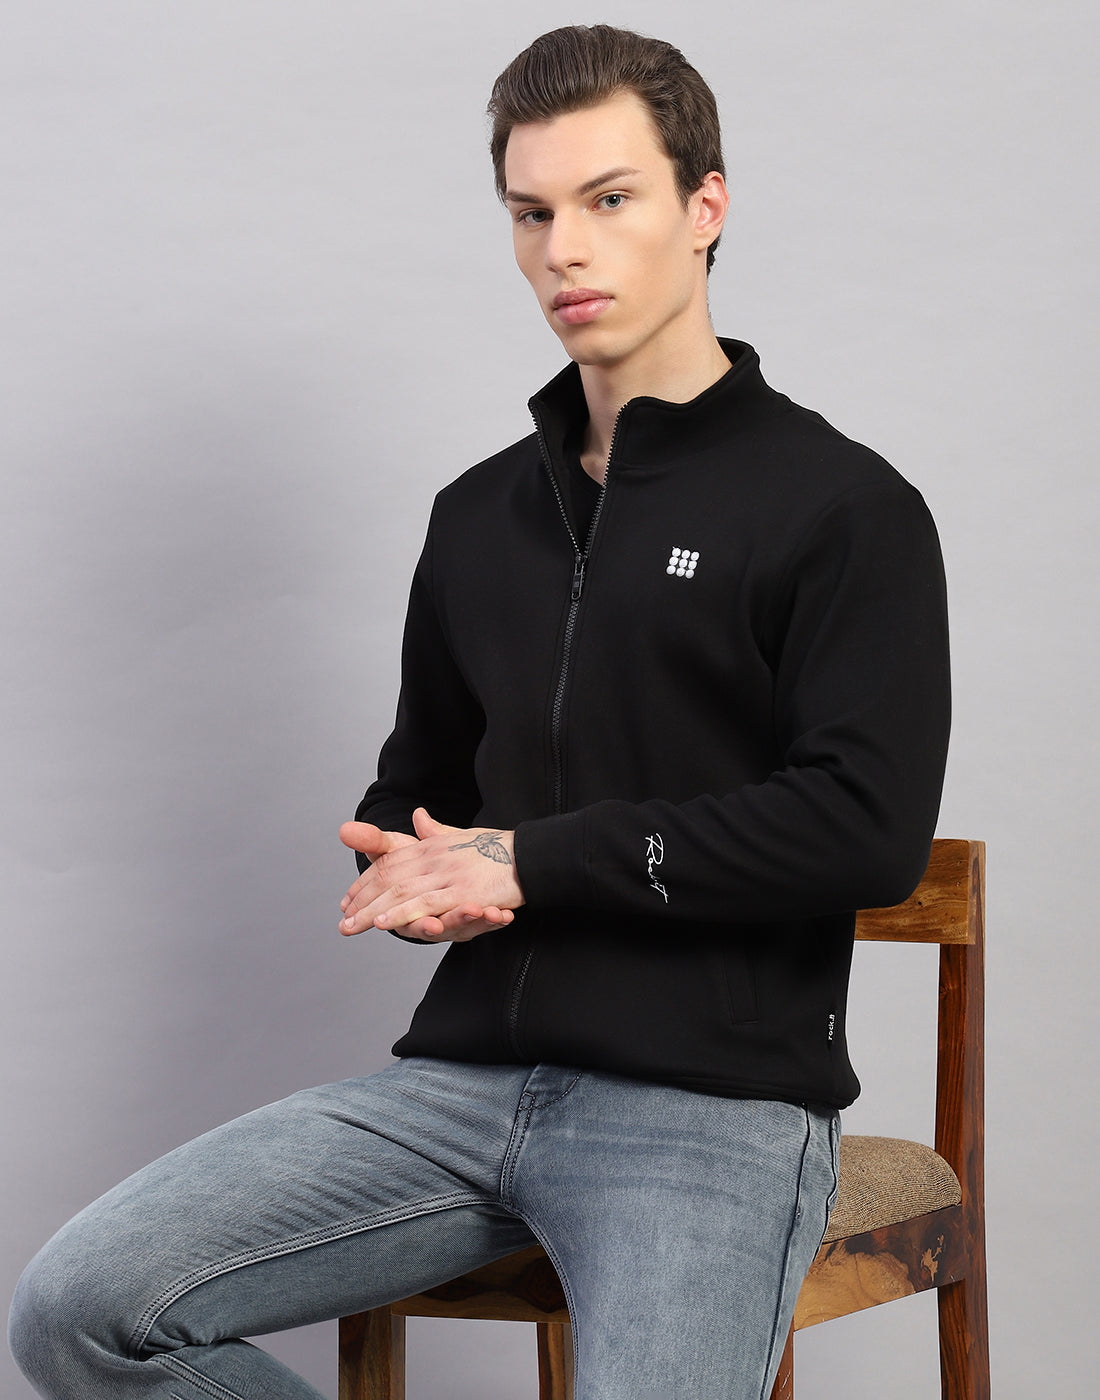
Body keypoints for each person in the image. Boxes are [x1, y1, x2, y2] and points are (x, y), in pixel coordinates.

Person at [9, 24, 950, 1400]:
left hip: (710, 1108)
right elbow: (422, 783)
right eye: (532, 212)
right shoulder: (479, 516)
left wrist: (526, 859)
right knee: (81, 1311)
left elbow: (863, 830)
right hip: (462, 1087)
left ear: (704, 206)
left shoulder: (842, 507)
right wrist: (410, 863)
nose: (566, 249)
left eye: (609, 199)